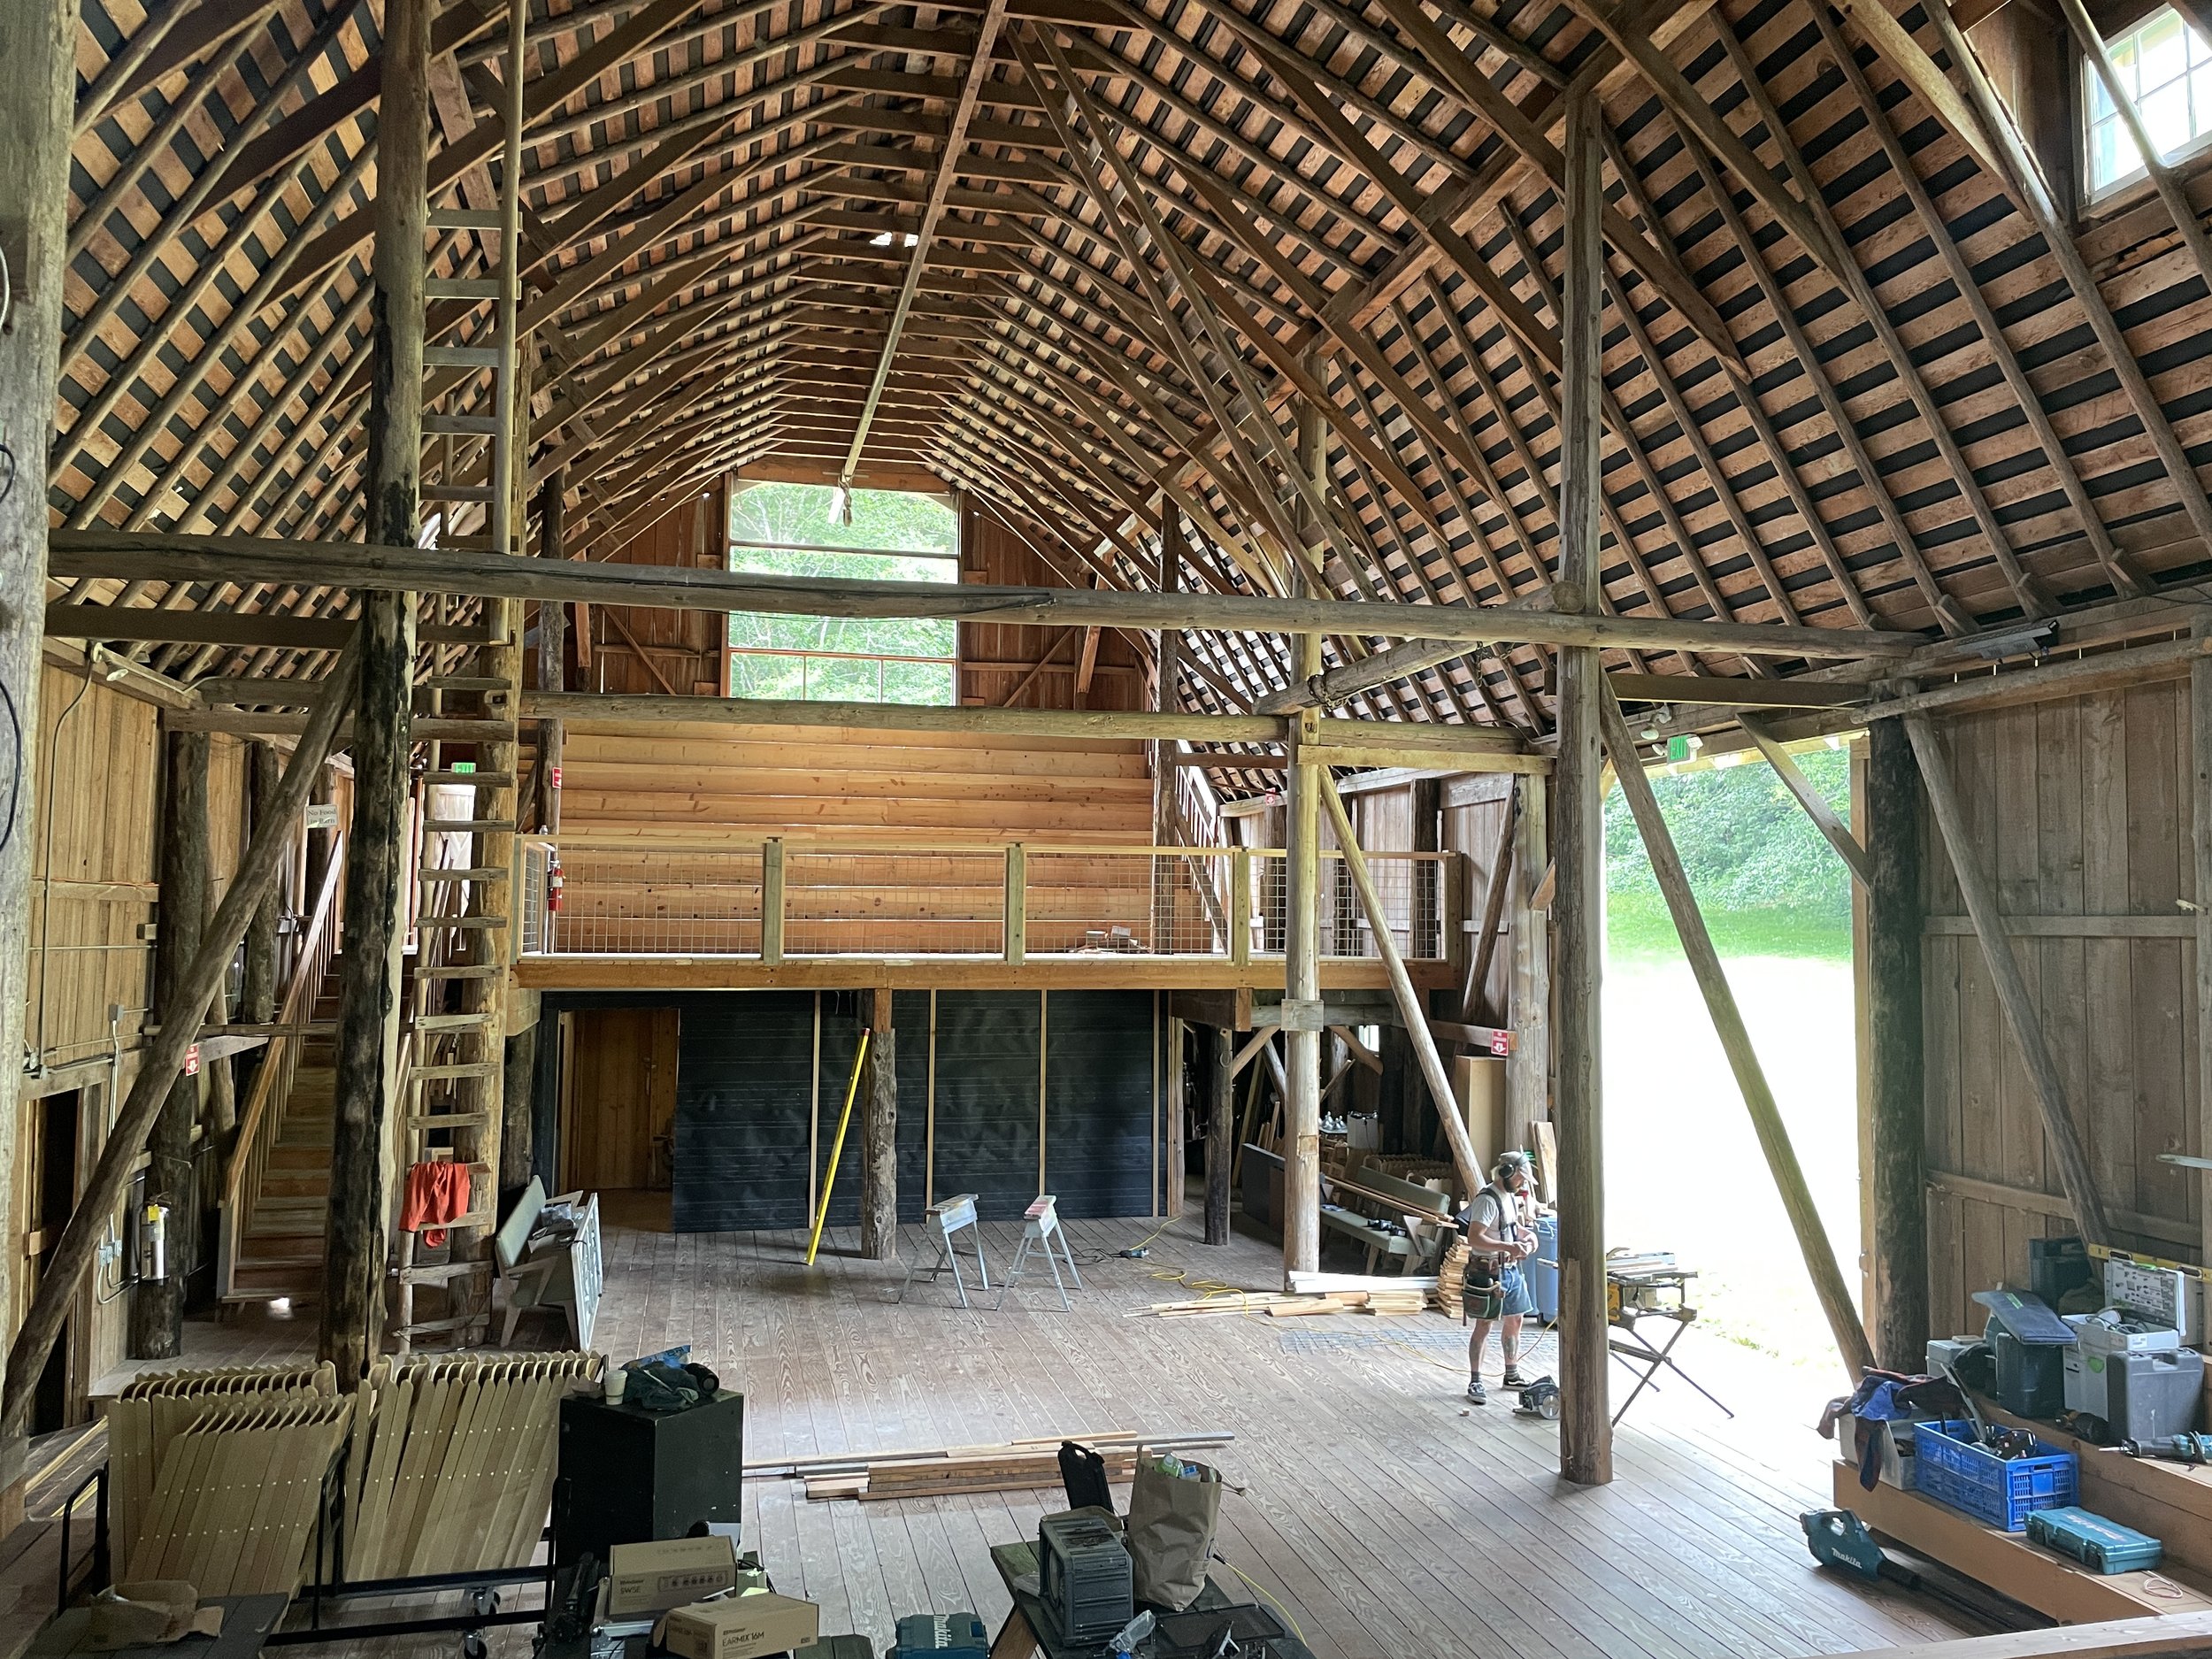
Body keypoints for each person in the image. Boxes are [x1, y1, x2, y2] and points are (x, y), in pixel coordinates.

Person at [1462, 1150, 1538, 1404]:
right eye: (1520, 1177)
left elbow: (1511, 1228)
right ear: (1506, 1172)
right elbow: (1475, 1237)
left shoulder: (1510, 1197)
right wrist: (1509, 1248)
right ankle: (1476, 1380)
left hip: (1511, 1269)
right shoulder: (1487, 1200)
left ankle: (1511, 1373)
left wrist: (1527, 1237)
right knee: (1484, 1325)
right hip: (1489, 1271)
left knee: (1515, 1319)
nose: (1522, 1183)